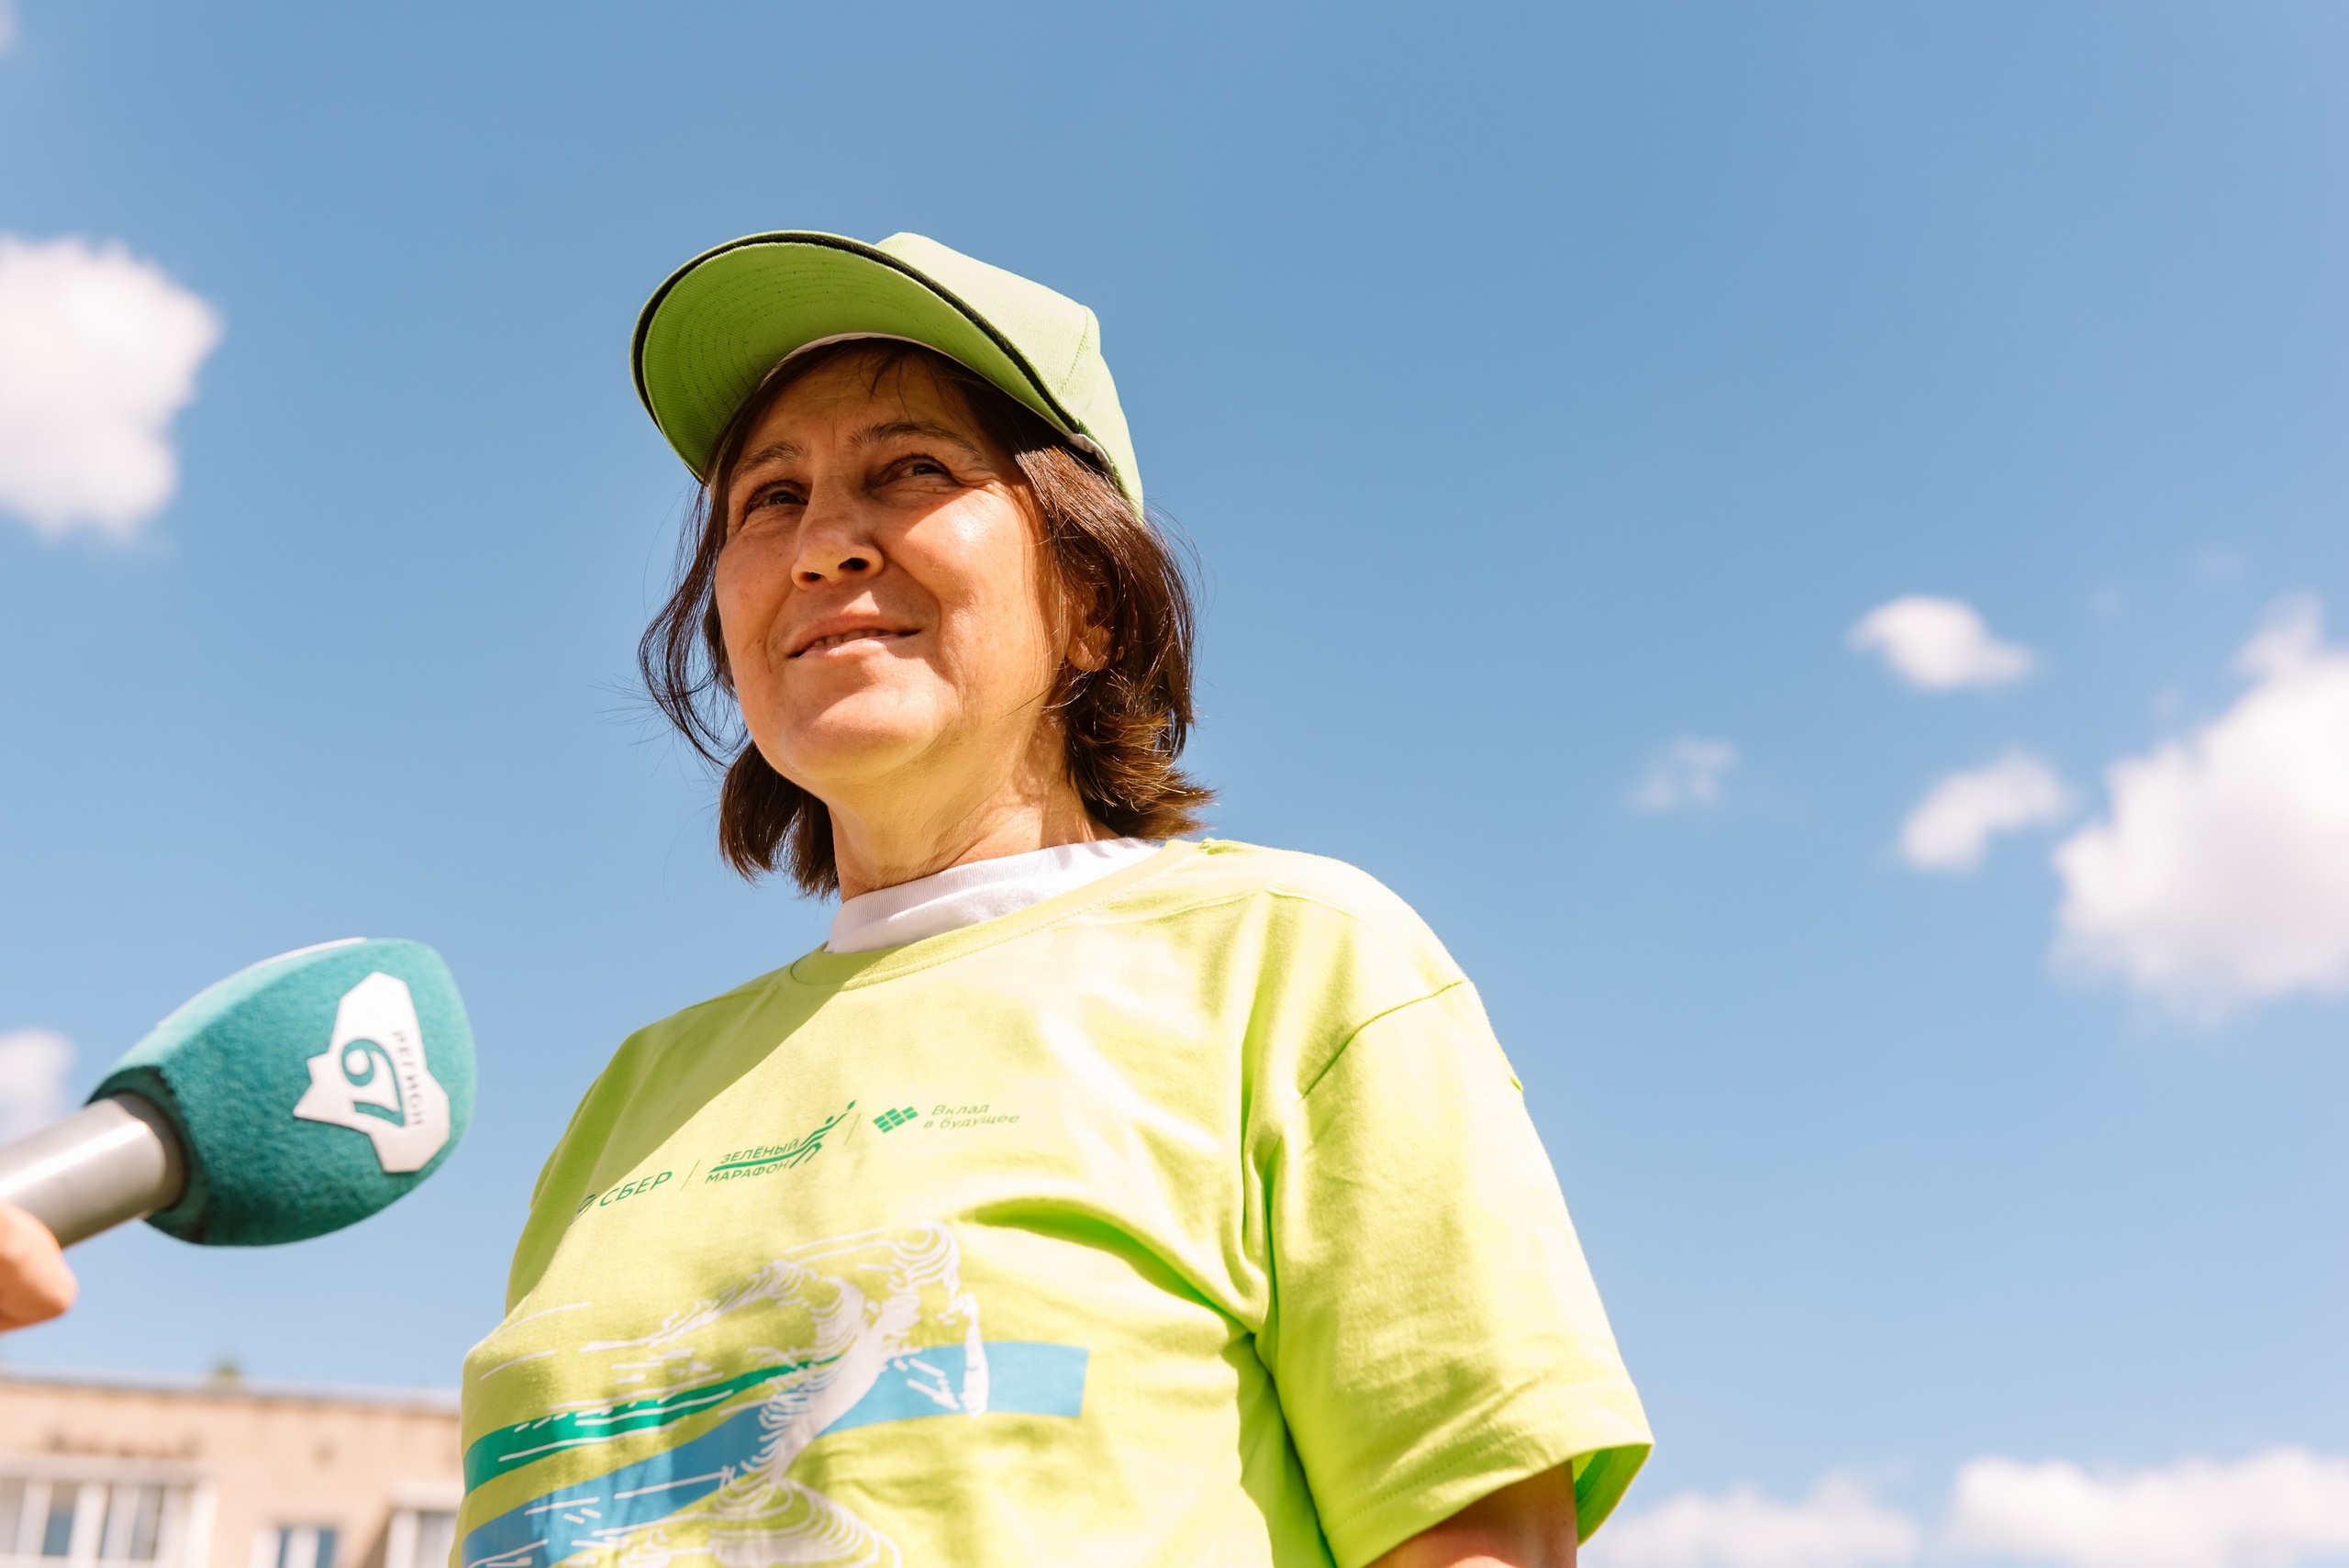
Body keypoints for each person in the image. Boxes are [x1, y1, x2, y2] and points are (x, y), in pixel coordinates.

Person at [3, 231, 1654, 1568]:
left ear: (1090, 597)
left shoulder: (1293, 964)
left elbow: (1471, 1545)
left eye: (910, 467)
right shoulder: (633, 1102)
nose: (818, 542)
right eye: (765, 499)